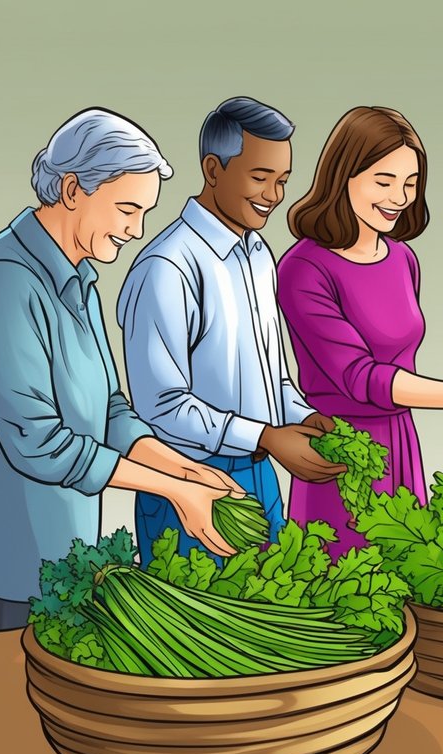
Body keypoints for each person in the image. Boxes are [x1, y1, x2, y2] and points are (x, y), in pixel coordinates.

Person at [0, 109, 243, 636]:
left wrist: (182, 469)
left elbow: (111, 411)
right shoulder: (5, 281)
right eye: (127, 210)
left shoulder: (78, 278)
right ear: (71, 189)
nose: (136, 230)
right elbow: (38, 442)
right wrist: (174, 491)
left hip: (58, 557)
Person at [278, 107, 443, 558]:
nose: (399, 197)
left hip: (402, 441)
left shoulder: (402, 258)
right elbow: (361, 377)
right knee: (346, 589)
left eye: (410, 182)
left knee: (409, 579)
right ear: (344, 176)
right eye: (384, 181)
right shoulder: (303, 268)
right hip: (343, 453)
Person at [118, 97, 344, 566]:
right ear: (212, 169)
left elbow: (272, 374)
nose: (274, 195)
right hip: (189, 483)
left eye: (282, 181)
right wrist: (264, 436)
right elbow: (160, 407)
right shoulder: (167, 267)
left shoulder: (259, 254)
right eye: (260, 178)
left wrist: (300, 417)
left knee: (274, 615)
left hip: (262, 475)